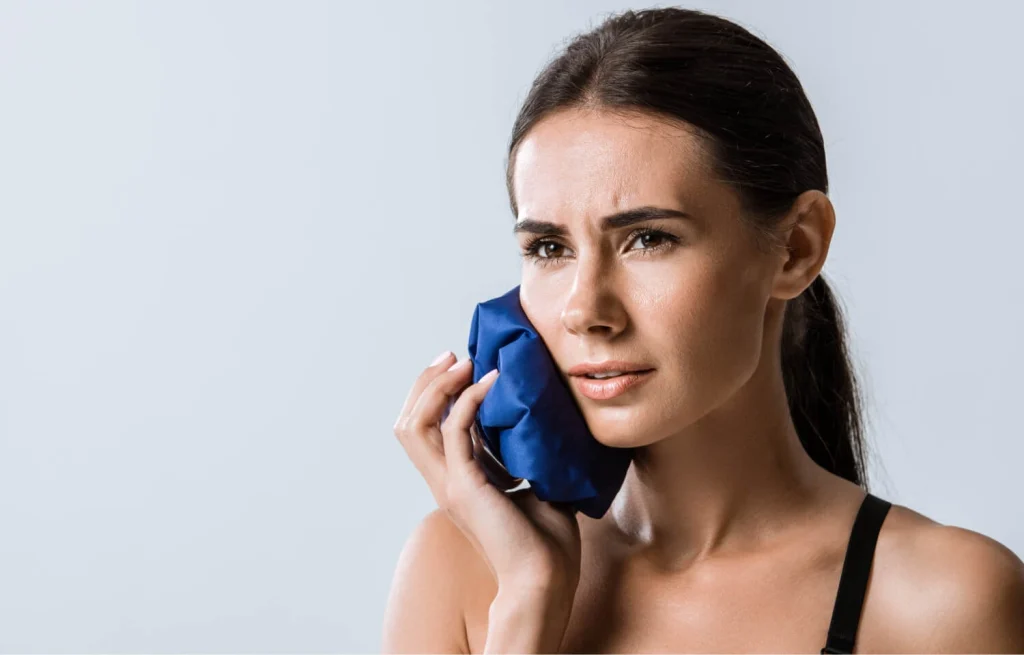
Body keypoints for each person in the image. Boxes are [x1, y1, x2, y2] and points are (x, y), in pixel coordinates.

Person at [383, 7, 1024, 653]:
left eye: (648, 238)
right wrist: (528, 599)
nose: (585, 309)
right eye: (550, 248)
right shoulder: (463, 569)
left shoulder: (942, 602)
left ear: (796, 248)